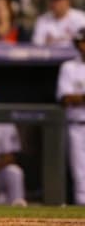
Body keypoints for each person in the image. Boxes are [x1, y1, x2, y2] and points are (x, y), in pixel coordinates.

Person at [56, 27, 85, 205]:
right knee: (80, 176)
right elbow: (65, 98)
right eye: (82, 42)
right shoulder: (69, 67)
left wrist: (79, 97)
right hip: (77, 125)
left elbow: (73, 97)